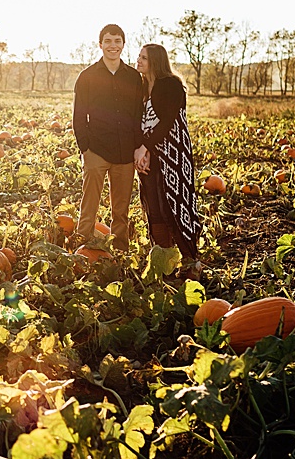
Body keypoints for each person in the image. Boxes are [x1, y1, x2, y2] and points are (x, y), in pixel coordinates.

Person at [72, 24, 144, 251]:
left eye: (117, 41)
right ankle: (82, 246)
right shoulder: (87, 77)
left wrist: (138, 145)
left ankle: (120, 251)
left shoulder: (134, 77)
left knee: (121, 209)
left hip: (125, 151)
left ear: (123, 44)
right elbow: (79, 115)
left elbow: (138, 115)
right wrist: (85, 149)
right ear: (100, 44)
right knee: (89, 204)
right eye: (108, 41)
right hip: (97, 150)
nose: (113, 46)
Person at [134, 43, 202, 274]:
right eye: (139, 56)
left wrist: (146, 148)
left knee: (174, 204)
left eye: (144, 57)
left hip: (173, 155)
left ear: (156, 61)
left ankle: (191, 260)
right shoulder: (141, 86)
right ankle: (164, 260)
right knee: (154, 205)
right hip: (148, 154)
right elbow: (139, 121)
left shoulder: (171, 85)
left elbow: (167, 123)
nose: (139, 60)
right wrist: (143, 151)